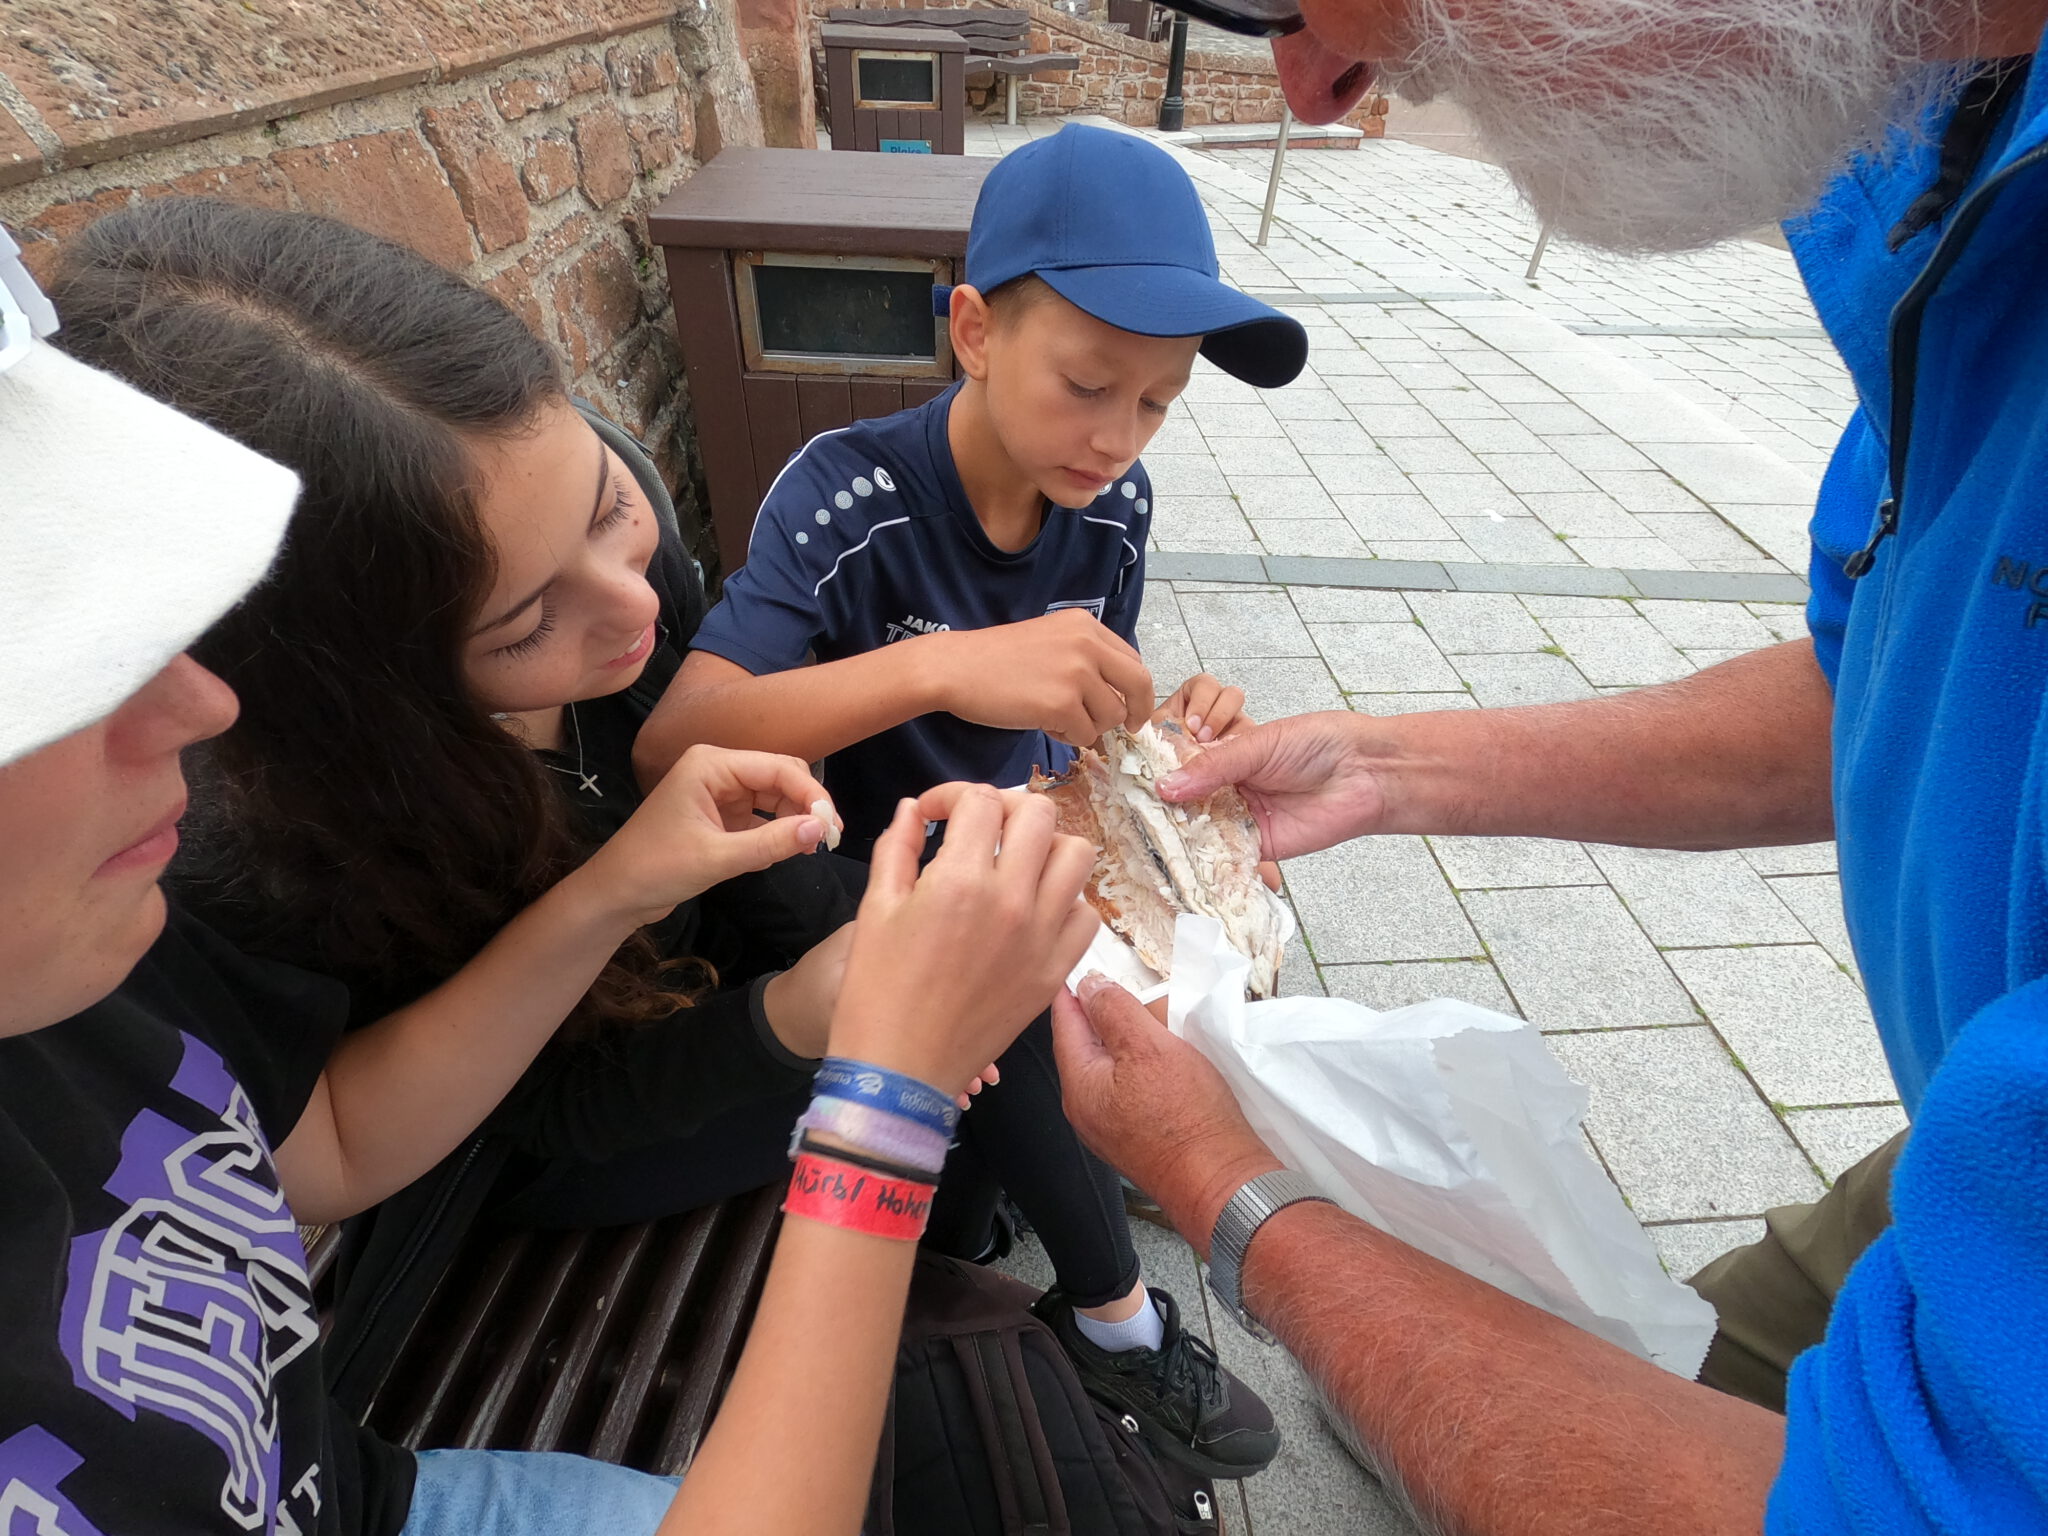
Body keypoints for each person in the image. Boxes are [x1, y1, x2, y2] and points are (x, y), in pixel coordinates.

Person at [44, 195, 1280, 1481]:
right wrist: (806, 1021)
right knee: (962, 976)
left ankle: (1044, 1243)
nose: (634, 603)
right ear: (366, 690)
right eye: (525, 625)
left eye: (604, 507)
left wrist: (692, 898)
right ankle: (1109, 1318)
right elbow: (527, 1114)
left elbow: (703, 817)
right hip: (553, 1121)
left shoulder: (604, 612)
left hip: (682, 943)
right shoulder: (296, 853)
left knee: (966, 929)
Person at [1041, 0, 2048, 1525]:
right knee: (1644, 1361)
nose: (1311, 87)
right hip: (1978, 1121)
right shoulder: (1932, 152)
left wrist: (1232, 1196)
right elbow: (1900, 669)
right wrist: (1389, 766)